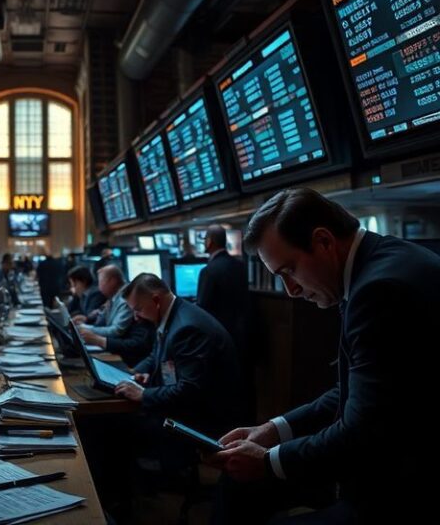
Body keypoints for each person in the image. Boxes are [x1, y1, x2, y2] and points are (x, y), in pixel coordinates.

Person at [207, 188, 440, 524]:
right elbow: (352, 392)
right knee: (239, 484)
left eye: (288, 271)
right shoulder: (379, 265)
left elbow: (361, 433)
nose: (291, 290)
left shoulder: (379, 292)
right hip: (385, 459)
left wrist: (269, 460)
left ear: (324, 242)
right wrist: (274, 429)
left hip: (400, 489)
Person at [115, 273, 245, 434]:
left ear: (156, 301)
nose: (136, 318)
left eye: (138, 310)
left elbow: (189, 390)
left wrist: (144, 394)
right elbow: (157, 355)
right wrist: (134, 373)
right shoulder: (173, 314)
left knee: (121, 428)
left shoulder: (187, 329)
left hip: (202, 420)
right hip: (186, 409)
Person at [78, 265, 154, 367]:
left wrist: (96, 338)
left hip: (129, 360)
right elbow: (101, 322)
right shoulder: (113, 298)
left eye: (101, 282)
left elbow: (134, 341)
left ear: (112, 281)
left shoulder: (125, 298)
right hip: (130, 361)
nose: (99, 287)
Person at [197, 224, 251, 358]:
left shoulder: (208, 270)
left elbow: (203, 308)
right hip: (245, 334)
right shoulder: (241, 266)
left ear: (209, 242)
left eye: (205, 239)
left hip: (220, 337)